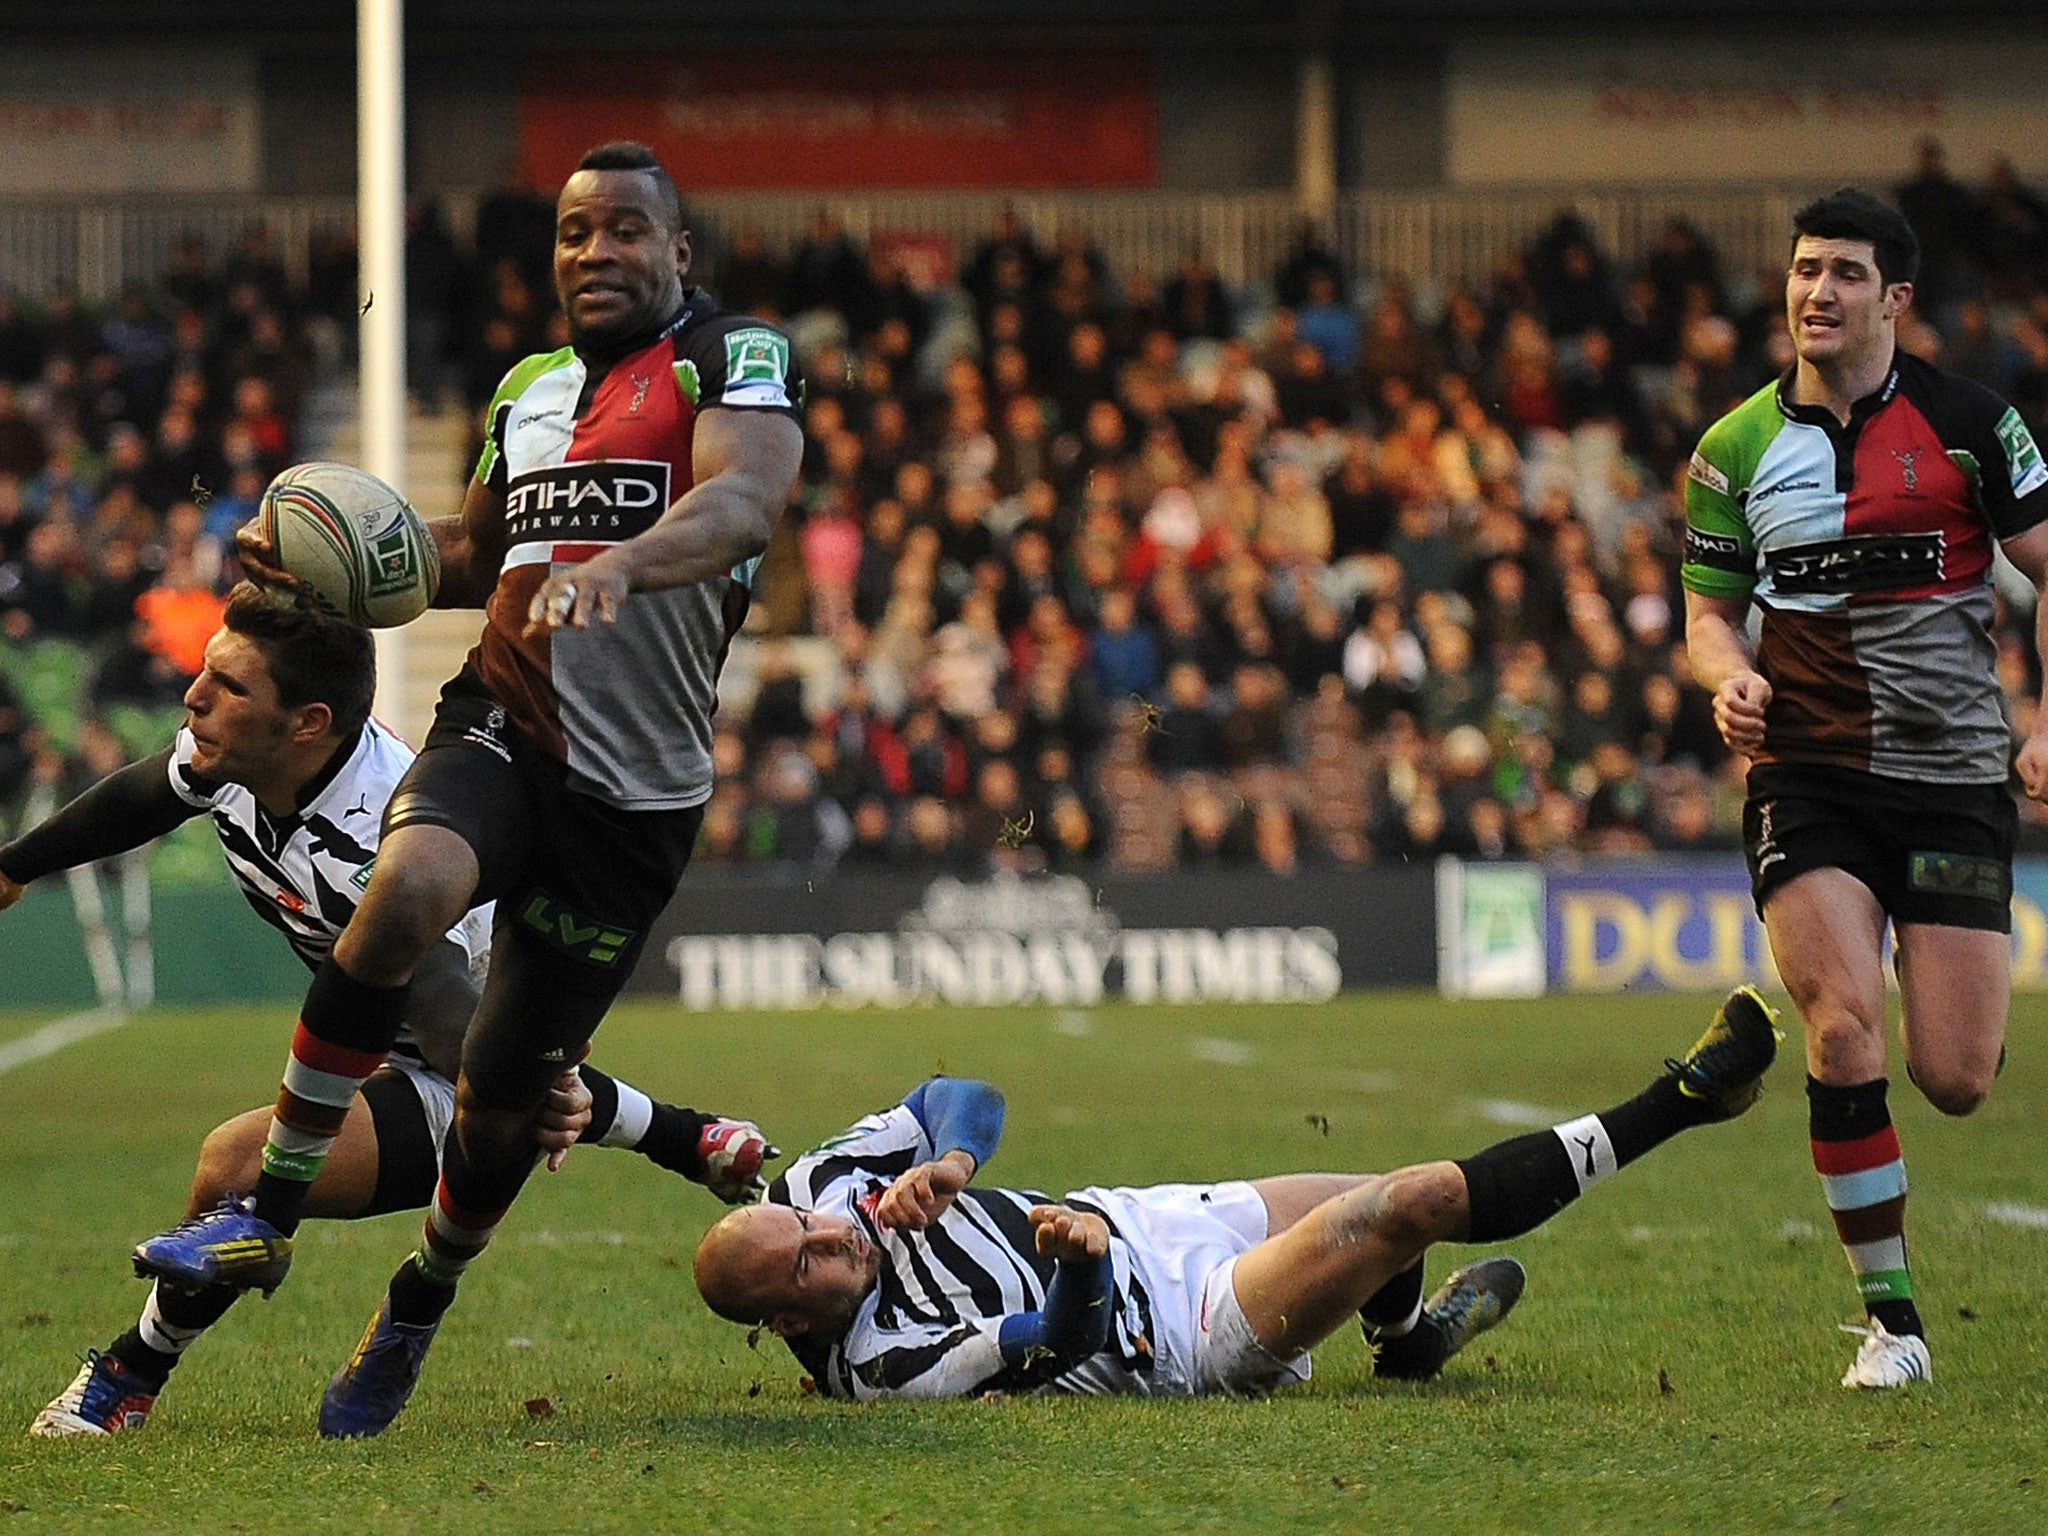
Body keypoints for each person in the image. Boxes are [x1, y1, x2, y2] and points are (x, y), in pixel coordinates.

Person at [130, 139, 806, 1439]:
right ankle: (260, 1217)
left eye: (622, 230)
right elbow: (471, 555)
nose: (593, 253)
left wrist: (633, 559)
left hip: (635, 800)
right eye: (571, 235)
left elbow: (744, 503)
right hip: (504, 718)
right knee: (405, 892)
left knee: (499, 1104)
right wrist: (329, 564)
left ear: (679, 254)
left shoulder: (732, 357)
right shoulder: (529, 389)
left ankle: (417, 1304)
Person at [0, 586, 775, 1437]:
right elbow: (150, 791)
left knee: (238, 1167)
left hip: (456, 1053)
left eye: (229, 685)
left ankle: (138, 1372)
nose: (196, 697)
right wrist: (20, 863)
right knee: (272, 1165)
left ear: (307, 723)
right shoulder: (237, 756)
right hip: (393, 1037)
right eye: (206, 673)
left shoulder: (380, 851)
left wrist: (541, 1096)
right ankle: (684, 1135)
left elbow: (461, 1042)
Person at [692, 988, 1781, 1400]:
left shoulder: (826, 1184)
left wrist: (951, 1163)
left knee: (1375, 1202)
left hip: (1155, 1211)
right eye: (808, 1262)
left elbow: (959, 1091)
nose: (831, 1235)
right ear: (790, 1320)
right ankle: (1677, 1103)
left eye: (807, 1224)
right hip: (1174, 1331)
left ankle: (1402, 1346)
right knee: (1396, 1210)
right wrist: (1076, 1262)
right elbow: (1054, 1344)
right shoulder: (881, 1367)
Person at [1681, 188, 2048, 1391]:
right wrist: (1727, 676)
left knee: (1953, 1077)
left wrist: (2043, 718)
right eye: (1800, 270)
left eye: (1842, 272)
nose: (1813, 292)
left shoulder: (1970, 426)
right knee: (1841, 1027)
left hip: (1949, 783)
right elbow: (1706, 614)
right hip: (1810, 776)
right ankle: (1891, 1326)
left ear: (1893, 297)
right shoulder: (1730, 450)